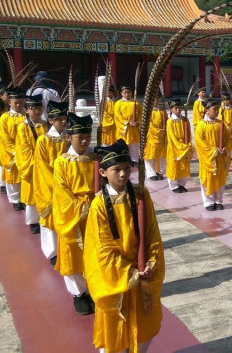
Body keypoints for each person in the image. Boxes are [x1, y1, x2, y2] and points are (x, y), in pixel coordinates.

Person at [85, 139, 165, 353]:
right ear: (103, 172)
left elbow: (151, 232)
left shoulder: (140, 195)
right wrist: (129, 272)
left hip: (142, 271)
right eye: (116, 169)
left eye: (126, 168)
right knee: (115, 327)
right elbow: (102, 249)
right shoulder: (99, 204)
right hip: (116, 276)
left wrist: (151, 261)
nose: (122, 174)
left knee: (143, 326)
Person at [53, 112, 96, 315]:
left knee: (95, 252)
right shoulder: (62, 162)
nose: (85, 140)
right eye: (80, 137)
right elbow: (62, 194)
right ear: (69, 137)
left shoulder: (96, 157)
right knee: (72, 252)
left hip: (96, 212)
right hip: (73, 215)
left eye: (87, 136)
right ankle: (78, 293)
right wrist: (84, 208)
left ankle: (94, 289)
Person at [34, 101, 68, 265]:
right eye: (58, 119)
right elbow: (42, 167)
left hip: (66, 184)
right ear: (50, 121)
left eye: (64, 118)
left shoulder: (69, 138)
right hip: (50, 184)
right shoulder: (43, 140)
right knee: (49, 217)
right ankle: (52, 252)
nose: (63, 121)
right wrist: (55, 184)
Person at [15, 94, 46, 234]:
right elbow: (24, 148)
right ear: (26, 110)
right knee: (33, 194)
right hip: (33, 165)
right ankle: (33, 222)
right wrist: (36, 163)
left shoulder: (46, 125)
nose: (37, 111)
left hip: (46, 165)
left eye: (39, 108)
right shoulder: (23, 127)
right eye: (33, 108)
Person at [195, 99, 228, 211]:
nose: (217, 111)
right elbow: (200, 142)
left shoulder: (220, 124)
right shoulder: (201, 125)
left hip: (220, 157)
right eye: (214, 109)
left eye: (218, 109)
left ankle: (218, 200)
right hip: (207, 158)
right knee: (207, 178)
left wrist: (225, 148)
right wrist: (214, 150)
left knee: (220, 178)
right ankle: (208, 201)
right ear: (206, 111)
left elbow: (226, 138)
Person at [0, 87, 27, 211]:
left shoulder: (27, 116)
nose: (18, 105)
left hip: (26, 152)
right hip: (11, 152)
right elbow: (4, 137)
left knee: (25, 176)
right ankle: (15, 200)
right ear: (9, 102)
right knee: (13, 177)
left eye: (20, 102)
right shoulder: (5, 117)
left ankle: (25, 198)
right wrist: (14, 151)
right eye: (15, 102)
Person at [166, 99, 193, 193]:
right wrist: (180, 146)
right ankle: (174, 185)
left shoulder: (185, 120)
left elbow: (188, 133)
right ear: (171, 110)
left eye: (179, 108)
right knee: (174, 166)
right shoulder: (170, 121)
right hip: (174, 147)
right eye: (175, 108)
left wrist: (188, 143)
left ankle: (182, 184)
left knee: (183, 165)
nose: (178, 110)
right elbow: (171, 136)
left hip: (184, 146)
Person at [114, 86, 141, 164]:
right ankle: (124, 159)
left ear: (131, 93)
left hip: (134, 127)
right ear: (121, 93)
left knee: (134, 144)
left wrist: (138, 122)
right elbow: (117, 116)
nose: (127, 94)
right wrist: (127, 122)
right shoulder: (118, 103)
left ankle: (134, 160)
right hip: (125, 128)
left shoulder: (136, 103)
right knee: (124, 144)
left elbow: (141, 114)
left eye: (128, 92)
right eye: (125, 92)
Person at [144, 96, 167, 181]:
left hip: (161, 136)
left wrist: (165, 130)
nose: (155, 101)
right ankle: (151, 173)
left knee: (161, 155)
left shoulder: (162, 111)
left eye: (156, 99)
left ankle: (160, 172)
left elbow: (166, 122)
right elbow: (148, 124)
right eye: (153, 99)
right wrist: (158, 131)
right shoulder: (147, 112)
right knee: (150, 155)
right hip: (151, 135)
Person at [219, 94, 232, 160]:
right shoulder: (221, 109)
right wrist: (227, 127)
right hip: (226, 128)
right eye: (225, 100)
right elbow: (221, 119)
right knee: (226, 141)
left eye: (228, 100)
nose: (227, 101)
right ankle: (227, 154)